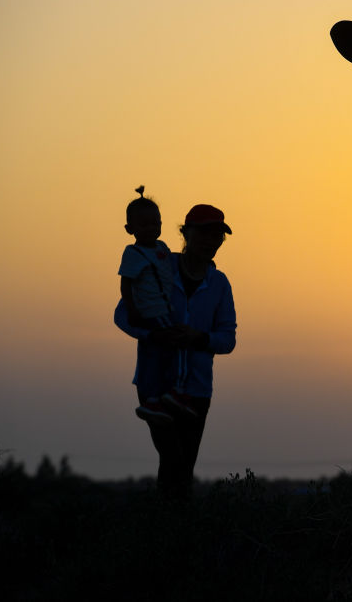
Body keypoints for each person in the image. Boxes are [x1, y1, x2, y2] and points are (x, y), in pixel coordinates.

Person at [115, 203, 237, 499]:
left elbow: (227, 340)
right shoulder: (158, 263)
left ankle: (171, 533)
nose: (211, 241)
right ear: (186, 233)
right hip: (155, 386)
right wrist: (157, 335)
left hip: (196, 391)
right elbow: (123, 315)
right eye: (204, 233)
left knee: (181, 468)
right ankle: (170, 532)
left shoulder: (219, 283)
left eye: (217, 236)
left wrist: (198, 338)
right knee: (174, 461)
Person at [118, 186, 182, 424]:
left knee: (157, 351)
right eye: (144, 225)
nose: (151, 229)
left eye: (156, 223)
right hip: (154, 311)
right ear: (130, 229)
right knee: (172, 346)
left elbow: (174, 263)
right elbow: (126, 284)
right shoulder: (133, 253)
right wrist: (132, 309)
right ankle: (163, 395)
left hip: (163, 311)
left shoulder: (162, 248)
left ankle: (159, 396)